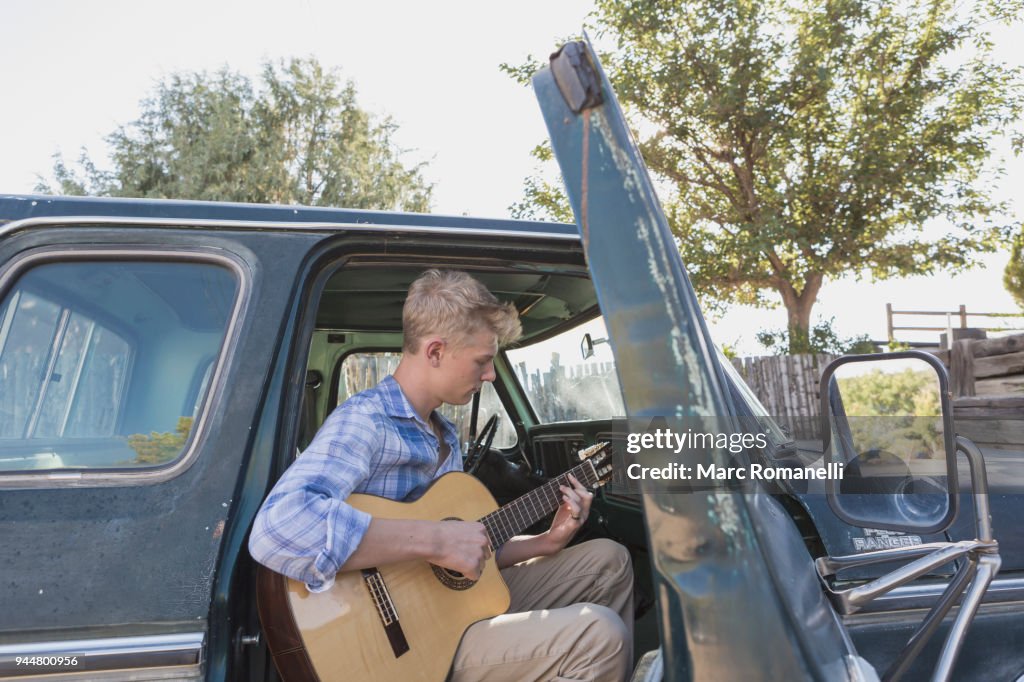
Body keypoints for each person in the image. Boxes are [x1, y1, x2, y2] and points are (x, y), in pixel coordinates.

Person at [249, 269, 633, 682]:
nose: (489, 375)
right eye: (483, 361)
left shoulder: (444, 435)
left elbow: (465, 559)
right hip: (402, 651)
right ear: (434, 352)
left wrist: (546, 541)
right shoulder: (366, 422)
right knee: (600, 635)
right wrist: (434, 539)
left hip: (450, 612)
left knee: (609, 560)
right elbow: (278, 527)